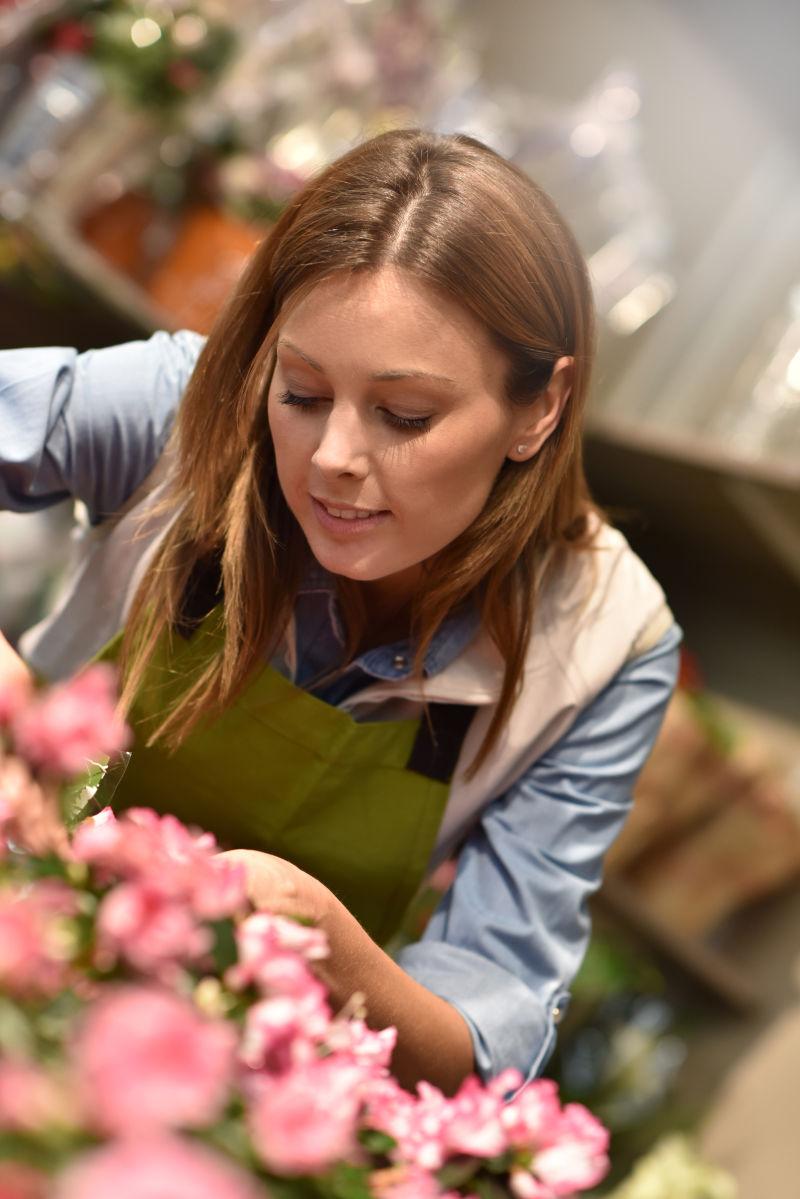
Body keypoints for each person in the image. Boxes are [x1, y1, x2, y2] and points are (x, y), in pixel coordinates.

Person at [0, 128, 681, 1096]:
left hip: (215, 1088)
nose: (332, 457)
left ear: (540, 407)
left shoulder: (608, 648)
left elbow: (489, 1031)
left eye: (404, 415)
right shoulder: (182, 409)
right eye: (303, 391)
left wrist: (321, 937)